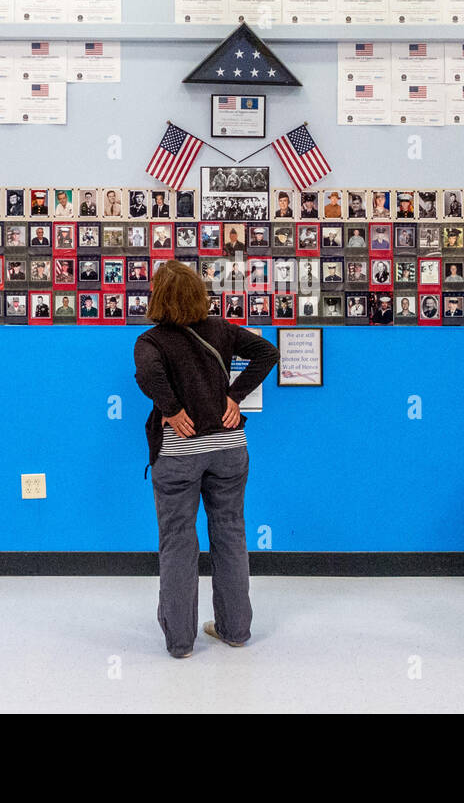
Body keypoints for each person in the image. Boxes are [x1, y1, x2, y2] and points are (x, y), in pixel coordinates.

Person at [133, 260, 279, 659]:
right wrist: (235, 396)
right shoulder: (222, 330)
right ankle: (235, 630)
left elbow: (147, 375)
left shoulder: (150, 341)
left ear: (158, 297)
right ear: (199, 294)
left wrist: (171, 408)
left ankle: (180, 642)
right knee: (230, 532)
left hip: (179, 453)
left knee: (178, 541)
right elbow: (268, 352)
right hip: (230, 449)